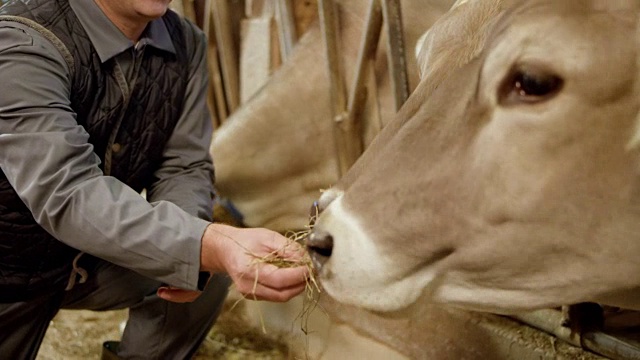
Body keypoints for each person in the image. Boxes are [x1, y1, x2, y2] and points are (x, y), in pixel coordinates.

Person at [0, 0, 309, 359]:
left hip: (87, 260)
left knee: (202, 268)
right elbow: (68, 193)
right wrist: (203, 245)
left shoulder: (186, 43)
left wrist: (191, 255)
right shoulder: (21, 40)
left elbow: (183, 165)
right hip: (9, 272)